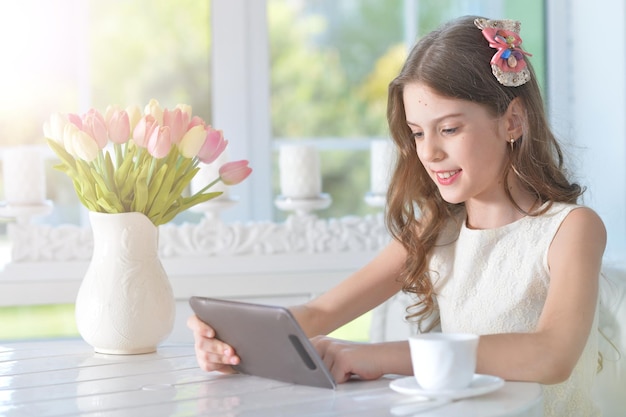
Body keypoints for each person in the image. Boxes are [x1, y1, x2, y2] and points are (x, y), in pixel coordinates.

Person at [188, 15, 606, 417]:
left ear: (512, 120)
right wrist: (230, 342)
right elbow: (319, 314)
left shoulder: (570, 229)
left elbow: (552, 355)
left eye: (449, 129)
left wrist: (382, 355)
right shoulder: (436, 228)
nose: (429, 152)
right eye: (418, 132)